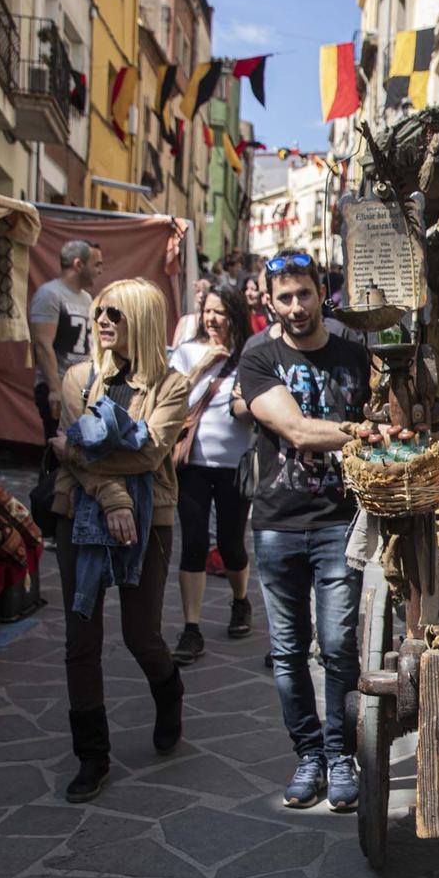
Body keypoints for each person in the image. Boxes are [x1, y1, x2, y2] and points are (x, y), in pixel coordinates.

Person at [238, 249, 380, 812]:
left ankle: (340, 754)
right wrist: (359, 431)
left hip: (336, 525)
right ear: (270, 302)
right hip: (276, 523)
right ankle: (309, 755)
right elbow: (295, 430)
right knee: (288, 650)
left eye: (305, 294)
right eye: (285, 297)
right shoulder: (259, 357)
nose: (296, 306)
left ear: (323, 293)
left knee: (341, 646)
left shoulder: (353, 354)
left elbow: (389, 412)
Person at [50, 279, 190, 802]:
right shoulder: (78, 379)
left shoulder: (172, 386)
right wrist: (113, 497)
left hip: (151, 520)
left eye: (117, 313)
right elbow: (72, 457)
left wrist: (81, 453)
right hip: (80, 514)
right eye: (99, 311)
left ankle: (168, 690)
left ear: (145, 321)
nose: (103, 320)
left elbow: (149, 455)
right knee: (80, 642)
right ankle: (92, 756)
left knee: (141, 635)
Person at [169, 283, 257, 663]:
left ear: (235, 314)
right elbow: (169, 400)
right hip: (192, 466)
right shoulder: (188, 353)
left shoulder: (249, 356)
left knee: (232, 544)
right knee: (192, 543)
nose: (212, 318)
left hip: (234, 468)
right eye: (208, 311)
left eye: (220, 311)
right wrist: (203, 366)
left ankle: (240, 601)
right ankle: (192, 629)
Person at [28, 239, 103, 441]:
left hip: (80, 387)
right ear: (78, 265)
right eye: (96, 264)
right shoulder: (50, 295)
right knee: (57, 452)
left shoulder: (87, 298)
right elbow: (43, 344)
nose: (100, 271)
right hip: (59, 385)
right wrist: (54, 389)